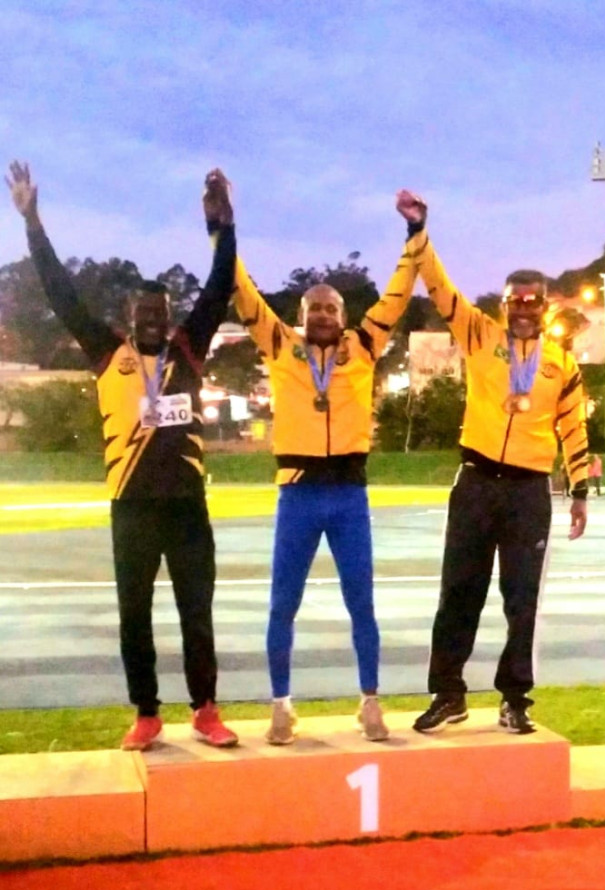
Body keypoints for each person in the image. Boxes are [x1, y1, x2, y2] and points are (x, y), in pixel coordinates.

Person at [7, 161, 239, 752]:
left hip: (188, 507)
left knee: (197, 614)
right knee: (133, 615)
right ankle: (146, 713)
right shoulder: (107, 351)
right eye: (144, 316)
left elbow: (219, 285)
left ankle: (206, 710)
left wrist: (223, 226)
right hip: (131, 508)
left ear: (170, 317)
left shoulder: (190, 345)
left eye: (161, 314)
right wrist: (32, 222)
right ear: (130, 321)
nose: (155, 323)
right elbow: (60, 292)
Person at [203, 171, 428, 745]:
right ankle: (282, 705)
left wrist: (415, 234)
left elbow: (399, 296)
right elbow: (241, 290)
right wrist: (220, 227)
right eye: (315, 308)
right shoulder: (282, 345)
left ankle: (370, 702)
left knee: (362, 603)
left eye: (332, 307)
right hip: (298, 493)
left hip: (349, 494)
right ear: (302, 316)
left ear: (345, 315)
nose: (324, 314)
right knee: (284, 603)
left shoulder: (366, 346)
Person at [399, 189, 589, 735]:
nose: (524, 309)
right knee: (458, 589)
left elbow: (574, 426)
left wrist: (578, 491)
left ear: (545, 305)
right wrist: (418, 231)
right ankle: (449, 693)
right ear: (504, 304)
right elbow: (439, 288)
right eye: (516, 301)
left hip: (529, 491)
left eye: (533, 301)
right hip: (477, 480)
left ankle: (515, 699)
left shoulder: (561, 364)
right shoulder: (480, 335)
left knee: (521, 599)